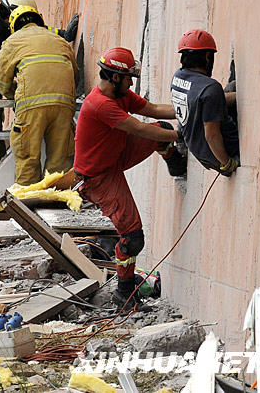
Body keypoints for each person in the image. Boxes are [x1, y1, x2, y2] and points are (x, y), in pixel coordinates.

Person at [73, 47, 186, 311]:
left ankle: (176, 164)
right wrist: (184, 135)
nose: (131, 82)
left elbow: (153, 110)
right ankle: (124, 293)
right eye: (128, 78)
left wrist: (189, 110)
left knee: (162, 131)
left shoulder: (120, 94)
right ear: (115, 78)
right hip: (99, 177)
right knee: (132, 237)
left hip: (115, 156)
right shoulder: (100, 104)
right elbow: (138, 127)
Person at [0, 0, 78, 191]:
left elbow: (0, 75)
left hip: (18, 105)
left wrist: (16, 95)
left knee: (23, 156)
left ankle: (25, 203)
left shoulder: (8, 31)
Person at [0, 5, 78, 185]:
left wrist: (13, 94)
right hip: (64, 106)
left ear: (14, 25)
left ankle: (27, 205)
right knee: (60, 163)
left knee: (28, 159)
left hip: (31, 107)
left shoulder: (13, 41)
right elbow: (75, 75)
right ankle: (56, 204)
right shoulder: (59, 40)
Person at [170, 29, 239, 176]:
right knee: (233, 85)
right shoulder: (210, 88)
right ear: (208, 57)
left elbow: (205, 102)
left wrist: (240, 98)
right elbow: (211, 135)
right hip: (221, 155)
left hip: (202, 155)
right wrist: (227, 163)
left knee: (230, 90)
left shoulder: (178, 78)